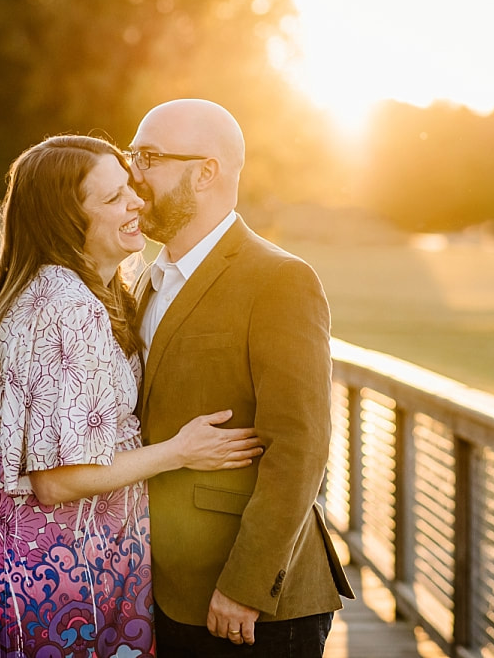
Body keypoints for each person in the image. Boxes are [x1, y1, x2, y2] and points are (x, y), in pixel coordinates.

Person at [0, 134, 264, 658]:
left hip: (3, 542)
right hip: (28, 560)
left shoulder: (90, 290)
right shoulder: (64, 305)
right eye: (112, 199)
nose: (137, 203)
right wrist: (181, 451)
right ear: (65, 221)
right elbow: (55, 481)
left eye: (130, 188)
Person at [127, 99, 354, 657]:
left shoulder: (280, 280)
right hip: (163, 590)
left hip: (250, 608)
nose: (133, 174)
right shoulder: (144, 281)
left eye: (149, 158)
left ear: (206, 171)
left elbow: (299, 447)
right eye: (133, 155)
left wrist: (245, 586)